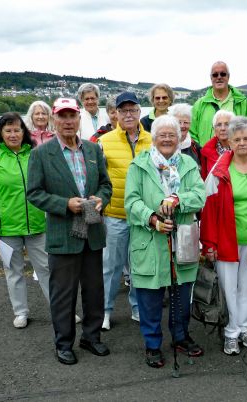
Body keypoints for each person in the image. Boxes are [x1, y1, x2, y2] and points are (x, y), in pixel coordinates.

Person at [26, 97, 113, 365]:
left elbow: (105, 185)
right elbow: (34, 193)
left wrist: (100, 199)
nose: (67, 121)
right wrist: (65, 204)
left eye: (72, 116)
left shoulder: (92, 150)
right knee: (63, 293)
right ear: (54, 120)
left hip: (92, 231)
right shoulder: (41, 153)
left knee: (94, 290)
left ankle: (91, 337)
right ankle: (63, 343)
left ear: (78, 119)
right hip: (63, 232)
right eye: (62, 116)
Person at [125, 115, 207, 367]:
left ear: (180, 137)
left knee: (182, 296)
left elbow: (199, 195)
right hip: (149, 241)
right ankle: (152, 344)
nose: (168, 139)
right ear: (154, 137)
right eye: (163, 135)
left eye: (173, 134)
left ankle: (180, 336)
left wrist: (177, 199)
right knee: (149, 298)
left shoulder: (188, 165)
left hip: (182, 240)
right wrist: (153, 219)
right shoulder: (139, 165)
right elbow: (131, 202)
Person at [201, 117, 247, 356]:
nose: (242, 143)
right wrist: (208, 243)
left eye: (246, 138)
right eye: (237, 139)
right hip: (226, 240)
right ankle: (231, 332)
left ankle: (243, 327)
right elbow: (208, 209)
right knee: (229, 288)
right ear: (229, 142)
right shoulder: (219, 170)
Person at [0, 112, 50, 329]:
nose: (13, 134)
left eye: (17, 130)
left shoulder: (35, 154)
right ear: (0, 133)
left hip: (37, 225)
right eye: (8, 130)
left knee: (47, 269)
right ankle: (20, 312)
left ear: (24, 132)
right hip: (7, 228)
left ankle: (59, 309)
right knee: (14, 271)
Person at [97, 91, 152, 330]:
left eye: (132, 110)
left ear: (140, 112)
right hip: (115, 214)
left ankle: (138, 308)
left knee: (140, 266)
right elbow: (98, 177)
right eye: (123, 111)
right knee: (111, 267)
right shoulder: (105, 141)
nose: (128, 114)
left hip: (142, 216)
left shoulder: (152, 139)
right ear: (116, 114)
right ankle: (105, 311)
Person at [189, 61, 247, 146]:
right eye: (215, 75)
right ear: (211, 78)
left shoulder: (242, 103)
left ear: (228, 76)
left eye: (223, 74)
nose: (219, 77)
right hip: (205, 158)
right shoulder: (199, 105)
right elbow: (191, 134)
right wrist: (200, 153)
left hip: (235, 157)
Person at [199, 110, 233, 180]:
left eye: (227, 124)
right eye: (219, 125)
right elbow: (204, 178)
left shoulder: (240, 150)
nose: (223, 128)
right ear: (214, 129)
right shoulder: (206, 152)